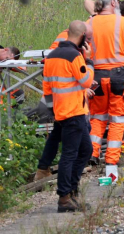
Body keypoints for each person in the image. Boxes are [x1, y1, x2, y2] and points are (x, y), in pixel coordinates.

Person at [41, 20, 95, 212]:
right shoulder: (75, 56)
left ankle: (71, 191)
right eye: (87, 38)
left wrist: (54, 109)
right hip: (74, 113)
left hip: (63, 112)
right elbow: (86, 81)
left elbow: (46, 86)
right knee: (70, 155)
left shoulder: (52, 55)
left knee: (85, 151)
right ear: (81, 37)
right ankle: (64, 198)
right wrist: (88, 60)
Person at [86, 0, 124, 181]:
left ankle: (92, 154)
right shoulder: (122, 21)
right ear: (114, 3)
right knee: (117, 119)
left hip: (96, 76)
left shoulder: (90, 22)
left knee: (97, 117)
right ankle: (111, 160)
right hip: (119, 76)